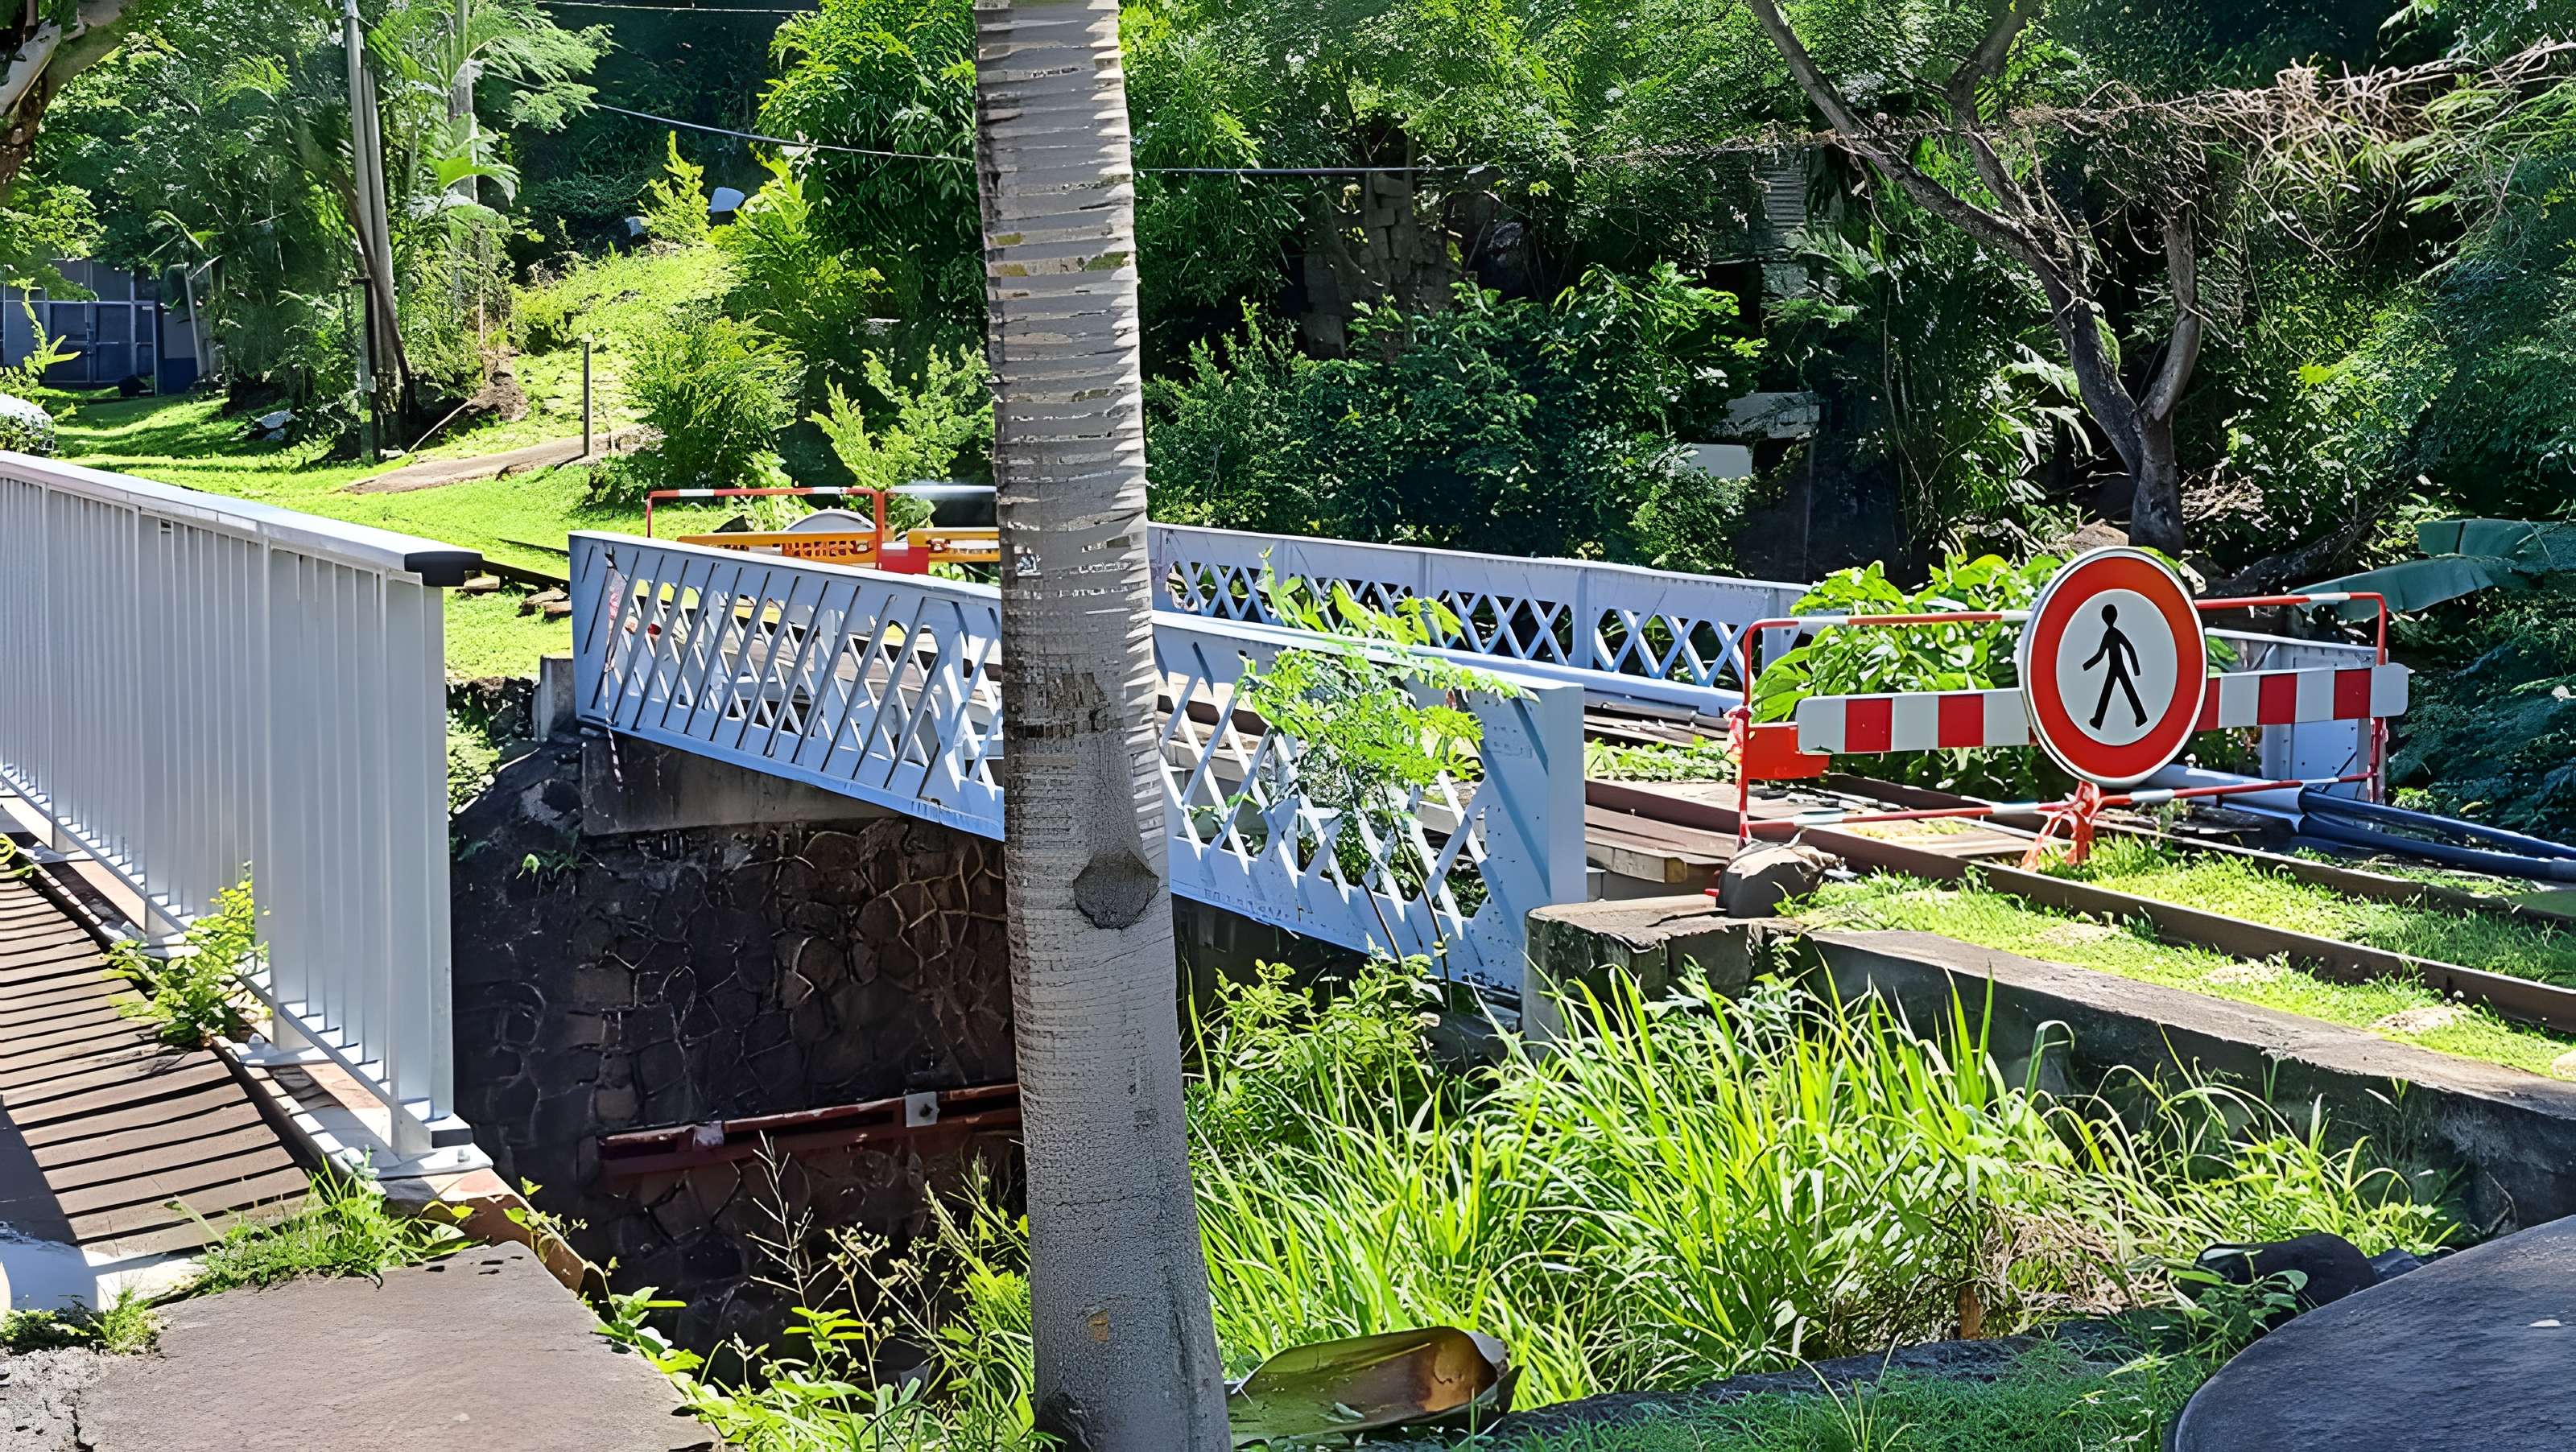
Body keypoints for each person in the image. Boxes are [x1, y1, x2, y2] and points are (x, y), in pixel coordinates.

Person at [2084, 602, 2147, 731]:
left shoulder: (2109, 634)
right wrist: (2086, 666)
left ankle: (2098, 721)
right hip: (2117, 666)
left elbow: (2101, 655)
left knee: (2109, 692)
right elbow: (2129, 649)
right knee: (2123, 691)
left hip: (2115, 666)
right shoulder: (2114, 633)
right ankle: (2140, 716)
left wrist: (2086, 666)